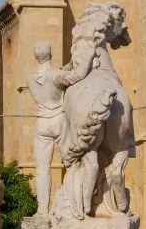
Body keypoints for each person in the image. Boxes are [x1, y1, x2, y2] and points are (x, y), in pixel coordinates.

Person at [24, 42, 95, 214]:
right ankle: (76, 206)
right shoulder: (56, 75)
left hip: (42, 123)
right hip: (59, 120)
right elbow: (77, 75)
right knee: (71, 163)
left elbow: (54, 74)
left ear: (36, 57)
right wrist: (89, 55)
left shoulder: (31, 78)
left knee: (42, 169)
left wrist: (68, 65)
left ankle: (42, 209)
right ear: (50, 54)